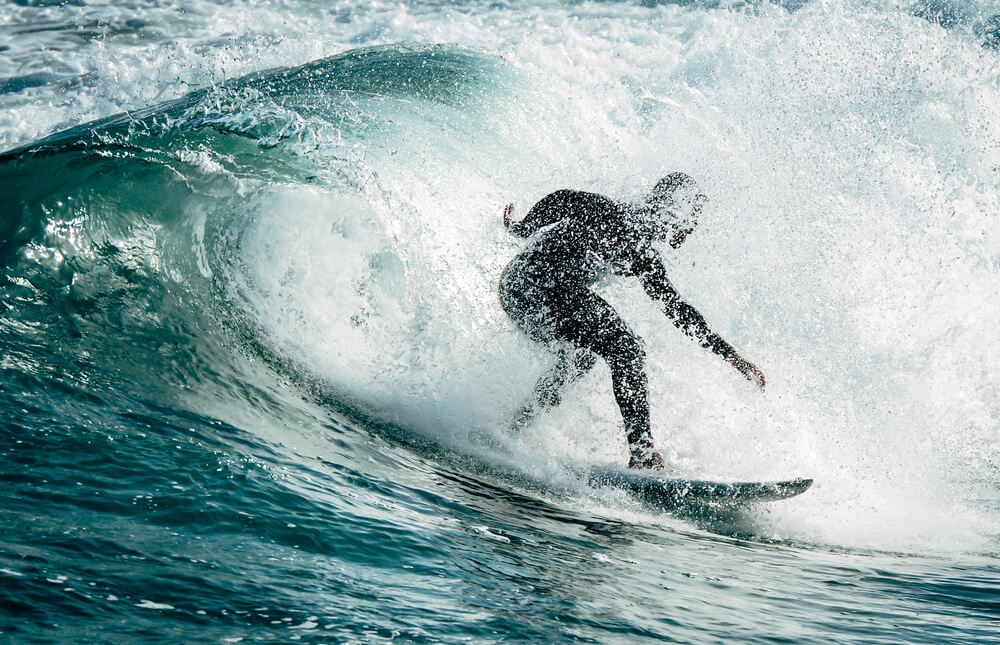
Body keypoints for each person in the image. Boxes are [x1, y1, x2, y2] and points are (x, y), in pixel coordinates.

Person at [498, 173, 765, 470]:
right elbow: (563, 198)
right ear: (670, 211)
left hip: (528, 295)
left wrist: (732, 357)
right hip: (530, 285)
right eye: (692, 216)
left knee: (581, 359)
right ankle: (642, 452)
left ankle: (511, 430)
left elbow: (677, 309)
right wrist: (523, 227)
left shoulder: (643, 255)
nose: (692, 227)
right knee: (627, 349)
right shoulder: (608, 213)